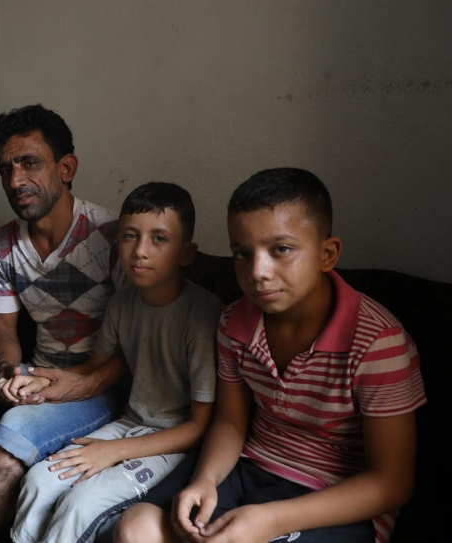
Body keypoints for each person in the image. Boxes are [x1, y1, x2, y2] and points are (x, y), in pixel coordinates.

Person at [113, 168, 427, 543]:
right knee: (138, 527)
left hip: (333, 497)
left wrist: (272, 520)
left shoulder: (377, 341)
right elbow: (230, 423)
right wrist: (205, 480)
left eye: (281, 249)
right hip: (248, 466)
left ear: (327, 254)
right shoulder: (233, 322)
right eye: (242, 254)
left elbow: (391, 483)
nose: (258, 273)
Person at [0, 104, 128, 543]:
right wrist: (8, 372)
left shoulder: (114, 237)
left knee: (12, 432)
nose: (15, 181)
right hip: (37, 372)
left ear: (66, 167)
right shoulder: (2, 244)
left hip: (102, 387)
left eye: (30, 163)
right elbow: (3, 330)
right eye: (5, 169)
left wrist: (80, 385)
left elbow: (139, 344)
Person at [11, 182, 224, 543]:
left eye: (159, 239)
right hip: (128, 423)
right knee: (38, 480)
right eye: (129, 236)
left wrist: (115, 452)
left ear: (187, 253)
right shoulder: (122, 304)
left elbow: (200, 426)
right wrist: (40, 381)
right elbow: (91, 368)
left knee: (81, 501)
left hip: (174, 442)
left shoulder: (203, 316)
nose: (140, 251)